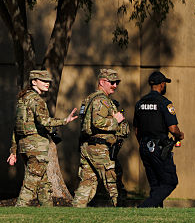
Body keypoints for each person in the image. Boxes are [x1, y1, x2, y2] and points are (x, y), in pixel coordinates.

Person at [9, 69, 79, 206]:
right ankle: (19, 209)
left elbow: (16, 128)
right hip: (36, 147)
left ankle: (48, 212)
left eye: (48, 81)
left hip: (25, 146)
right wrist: (65, 120)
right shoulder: (36, 100)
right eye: (43, 81)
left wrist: (13, 151)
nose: (47, 83)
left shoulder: (22, 99)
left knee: (43, 183)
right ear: (34, 82)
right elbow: (45, 122)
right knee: (32, 180)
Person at [73, 68, 130, 207]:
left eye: (117, 82)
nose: (115, 86)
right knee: (113, 181)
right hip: (99, 148)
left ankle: (74, 212)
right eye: (112, 82)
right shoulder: (101, 100)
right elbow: (97, 122)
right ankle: (120, 212)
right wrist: (116, 120)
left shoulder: (90, 99)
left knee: (87, 182)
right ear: (102, 82)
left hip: (88, 147)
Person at [134, 71, 184, 208]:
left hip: (144, 146)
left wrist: (144, 144)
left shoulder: (140, 103)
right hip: (159, 147)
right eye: (165, 83)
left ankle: (155, 213)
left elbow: (136, 130)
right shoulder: (164, 103)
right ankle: (144, 207)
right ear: (162, 85)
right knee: (169, 182)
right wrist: (180, 135)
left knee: (155, 184)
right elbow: (173, 129)